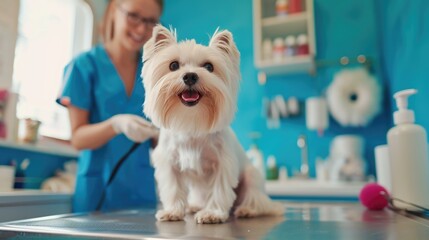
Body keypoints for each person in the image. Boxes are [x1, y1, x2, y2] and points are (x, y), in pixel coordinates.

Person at [56, 0, 163, 213]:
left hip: (142, 192)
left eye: (151, 21)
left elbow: (157, 144)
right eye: (134, 15)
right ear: (115, 10)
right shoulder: (84, 66)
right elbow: (77, 138)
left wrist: (163, 135)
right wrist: (115, 125)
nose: (142, 29)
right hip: (98, 191)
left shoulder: (155, 70)